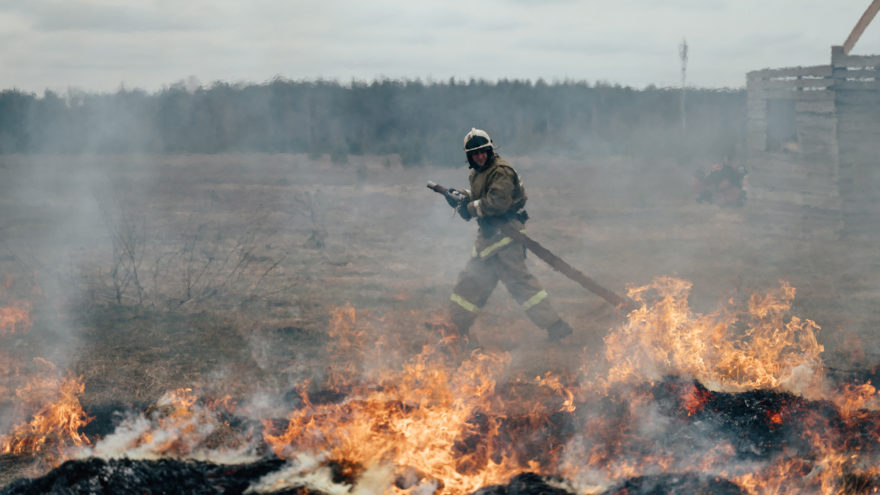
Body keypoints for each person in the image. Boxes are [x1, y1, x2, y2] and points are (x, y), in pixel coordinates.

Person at [438, 128, 574, 350]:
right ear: (469, 157)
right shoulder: (477, 172)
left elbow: (496, 203)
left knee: (519, 283)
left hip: (506, 234)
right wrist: (462, 196)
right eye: (475, 154)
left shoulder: (500, 171)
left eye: (483, 152)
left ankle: (556, 326)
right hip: (489, 236)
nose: (480, 156)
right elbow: (480, 194)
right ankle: (456, 328)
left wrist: (469, 209)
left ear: (490, 150)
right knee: (471, 281)